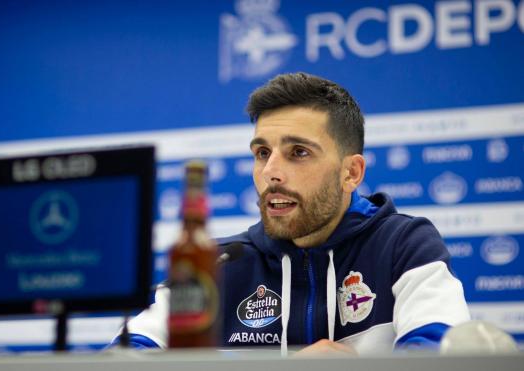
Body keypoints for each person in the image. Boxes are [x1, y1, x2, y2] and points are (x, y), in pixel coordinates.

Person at [120, 72, 470, 354]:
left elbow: (442, 356)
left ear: (351, 173)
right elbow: (127, 357)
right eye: (262, 153)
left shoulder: (404, 245)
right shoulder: (218, 262)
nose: (271, 172)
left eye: (298, 152)